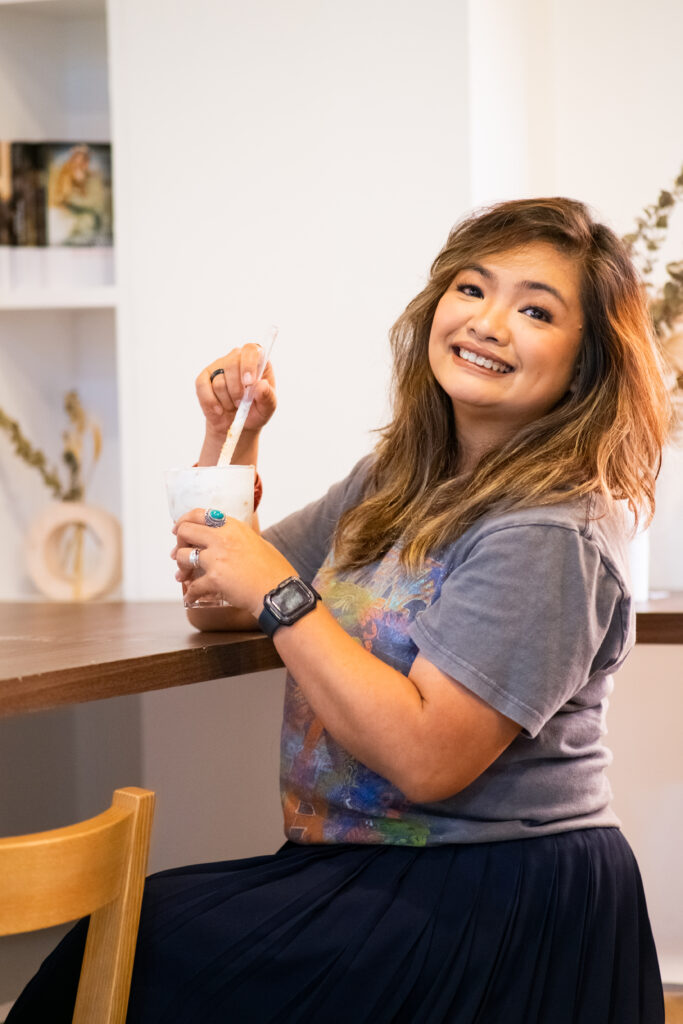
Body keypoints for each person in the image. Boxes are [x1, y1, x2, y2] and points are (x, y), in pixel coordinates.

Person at [8, 197, 670, 1023]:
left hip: (497, 894)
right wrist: (234, 438)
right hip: (367, 873)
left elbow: (429, 759)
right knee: (130, 943)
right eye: (472, 289)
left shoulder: (552, 530)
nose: (489, 322)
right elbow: (220, 598)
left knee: (146, 951)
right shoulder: (394, 480)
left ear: (584, 365)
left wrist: (281, 594)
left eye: (536, 309)